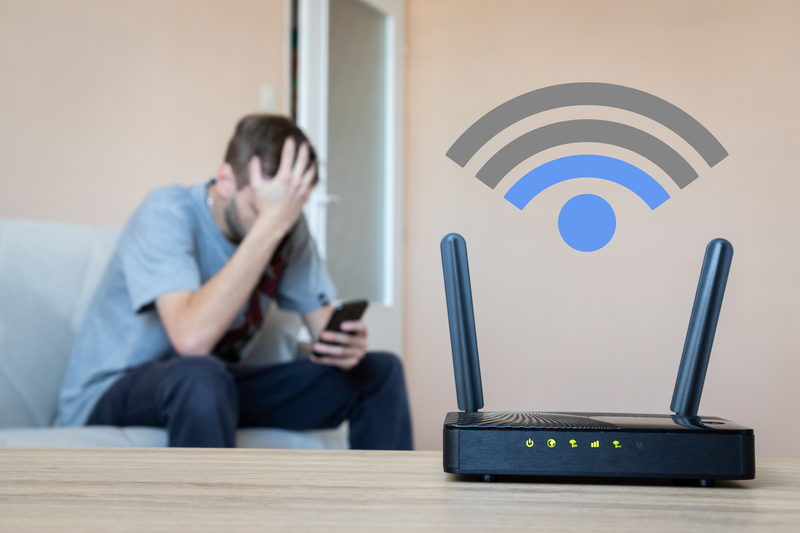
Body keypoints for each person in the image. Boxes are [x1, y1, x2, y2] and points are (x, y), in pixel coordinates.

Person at [56, 114, 413, 449]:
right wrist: (270, 225)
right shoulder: (167, 212)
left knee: (379, 373)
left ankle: (388, 499)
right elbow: (191, 340)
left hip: (216, 389)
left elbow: (324, 329)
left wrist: (343, 345)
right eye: (260, 209)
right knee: (200, 376)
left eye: (288, 211)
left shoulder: (287, 227)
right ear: (225, 181)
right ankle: (214, 501)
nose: (280, 222)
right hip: (113, 392)